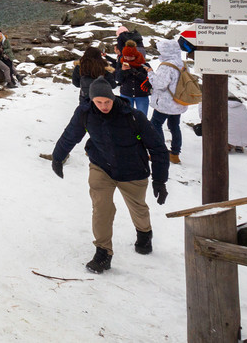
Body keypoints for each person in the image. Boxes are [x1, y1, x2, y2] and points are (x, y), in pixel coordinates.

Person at [51, 81, 169, 274]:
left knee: (138, 207)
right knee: (101, 209)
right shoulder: (85, 113)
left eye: (107, 101)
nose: (103, 106)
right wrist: (57, 157)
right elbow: (71, 135)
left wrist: (160, 180)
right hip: (101, 167)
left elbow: (157, 148)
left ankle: (144, 233)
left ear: (113, 98)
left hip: (132, 170)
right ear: (92, 100)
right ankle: (103, 252)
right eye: (99, 102)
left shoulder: (133, 116)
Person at [149, 38, 190, 165]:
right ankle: (175, 154)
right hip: (178, 101)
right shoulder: (181, 63)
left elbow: (159, 84)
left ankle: (160, 152)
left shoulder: (166, 66)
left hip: (165, 103)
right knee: (174, 126)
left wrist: (150, 73)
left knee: (155, 124)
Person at [116, 41, 151, 117]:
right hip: (126, 93)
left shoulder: (144, 64)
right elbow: (118, 79)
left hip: (141, 94)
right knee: (126, 117)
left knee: (142, 116)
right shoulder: (121, 63)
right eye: (125, 56)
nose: (128, 58)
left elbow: (150, 79)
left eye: (130, 56)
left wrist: (136, 73)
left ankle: (141, 128)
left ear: (135, 55)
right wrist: (122, 71)